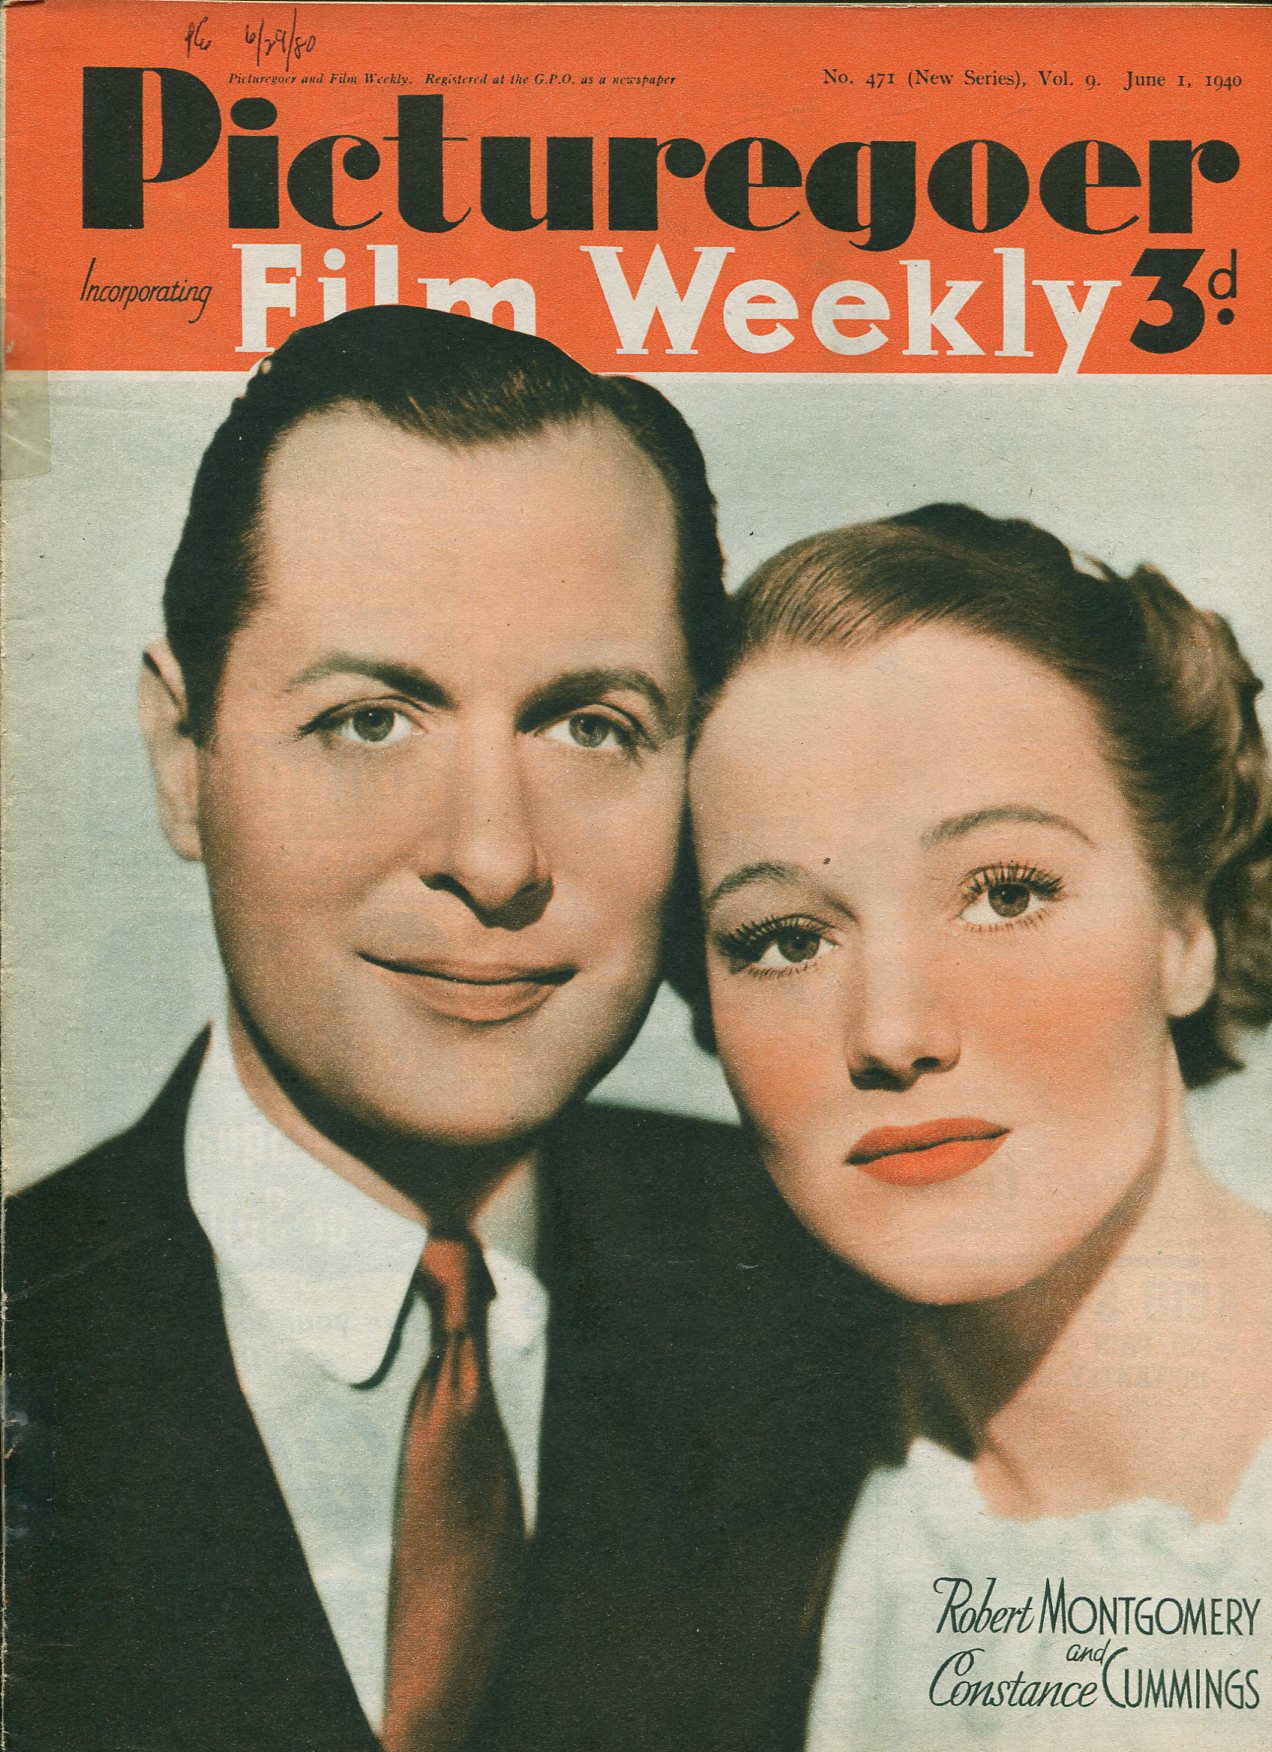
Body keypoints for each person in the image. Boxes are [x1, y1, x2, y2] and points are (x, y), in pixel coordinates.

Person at [7, 307, 891, 1752]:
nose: (491, 858)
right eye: (370, 720)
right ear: (182, 756)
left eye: (591, 726)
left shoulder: (857, 1308)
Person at [688, 504, 1272, 1748]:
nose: (893, 1032)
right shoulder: (735, 1526)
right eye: (784, 940)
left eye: (1006, 894)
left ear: (1186, 928)